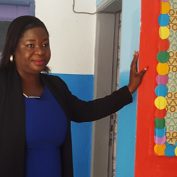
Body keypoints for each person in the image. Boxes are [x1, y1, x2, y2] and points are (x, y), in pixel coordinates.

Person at [0, 16, 147, 177]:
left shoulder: (56, 87)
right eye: (30, 45)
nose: (41, 51)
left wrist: (128, 90)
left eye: (45, 44)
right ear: (13, 48)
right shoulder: (4, 87)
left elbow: (86, 111)